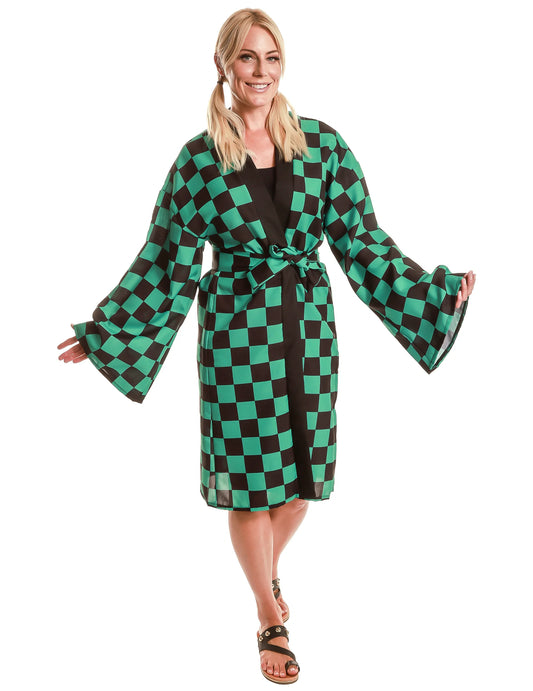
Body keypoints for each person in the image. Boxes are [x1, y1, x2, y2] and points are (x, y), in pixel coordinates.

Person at [57, 8, 476, 684]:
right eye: (247, 57)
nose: (260, 71)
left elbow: (363, 243)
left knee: (302, 484)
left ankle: (264, 572)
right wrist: (106, 334)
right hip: (237, 336)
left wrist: (434, 295)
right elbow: (164, 261)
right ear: (223, 64)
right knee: (253, 487)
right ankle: (267, 613)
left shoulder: (322, 145)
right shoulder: (198, 160)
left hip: (307, 329)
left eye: (271, 57)